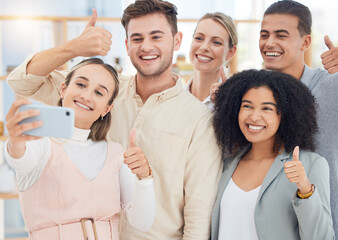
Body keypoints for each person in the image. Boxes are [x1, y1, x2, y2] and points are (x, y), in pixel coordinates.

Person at [6, 0, 222, 239]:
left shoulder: (199, 119)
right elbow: (21, 82)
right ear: (127, 45)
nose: (146, 46)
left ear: (177, 40)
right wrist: (74, 48)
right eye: (137, 38)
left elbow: (199, 214)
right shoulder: (101, 91)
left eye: (156, 37)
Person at [4, 58, 155, 239]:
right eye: (81, 84)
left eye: (99, 93)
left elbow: (142, 222)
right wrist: (16, 142)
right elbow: (20, 159)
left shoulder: (116, 153)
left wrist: (145, 178)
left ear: (106, 109)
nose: (87, 96)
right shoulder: (40, 144)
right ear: (63, 89)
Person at [259, 1, 338, 238]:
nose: (269, 43)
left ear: (305, 42)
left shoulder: (337, 85)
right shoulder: (254, 95)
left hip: (332, 230)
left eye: (281, 35)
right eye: (264, 35)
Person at [211, 69, 334, 240]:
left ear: (285, 115)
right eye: (247, 106)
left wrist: (305, 189)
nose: (254, 116)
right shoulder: (226, 163)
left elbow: (322, 237)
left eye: (267, 108)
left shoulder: (311, 164)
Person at [185, 12, 237, 110]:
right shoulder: (174, 98)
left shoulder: (235, 101)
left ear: (230, 52)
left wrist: (226, 107)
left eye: (216, 42)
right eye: (199, 38)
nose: (204, 47)